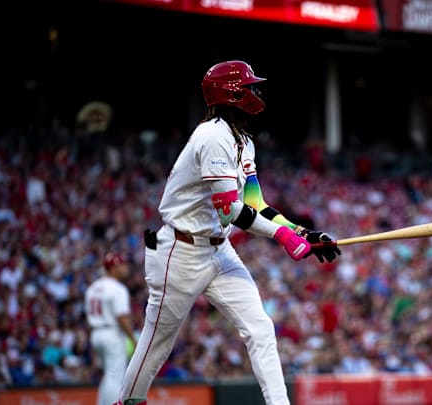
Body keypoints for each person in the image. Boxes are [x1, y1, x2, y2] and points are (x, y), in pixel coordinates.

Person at [114, 60, 340, 405]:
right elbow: (231, 210)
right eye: (249, 86)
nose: (255, 92)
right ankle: (127, 402)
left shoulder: (244, 141)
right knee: (158, 341)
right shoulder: (213, 136)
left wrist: (302, 232)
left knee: (260, 328)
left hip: (219, 250)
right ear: (230, 93)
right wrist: (283, 238)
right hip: (181, 251)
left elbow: (257, 204)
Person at [85, 252, 137, 405]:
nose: (126, 268)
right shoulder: (117, 289)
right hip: (112, 333)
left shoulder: (93, 288)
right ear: (114, 267)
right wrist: (133, 339)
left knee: (108, 375)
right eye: (122, 264)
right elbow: (121, 317)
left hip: (96, 333)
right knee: (115, 376)